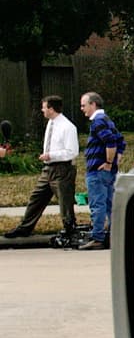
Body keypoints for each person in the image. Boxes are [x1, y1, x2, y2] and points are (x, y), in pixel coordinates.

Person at [2, 96, 79, 240]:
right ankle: (24, 228)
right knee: (36, 197)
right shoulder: (50, 123)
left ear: (51, 108)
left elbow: (72, 152)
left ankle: (69, 228)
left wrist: (51, 155)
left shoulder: (67, 127)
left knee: (64, 201)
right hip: (48, 169)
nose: (42, 110)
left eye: (44, 107)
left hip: (62, 169)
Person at [77, 92, 124, 251]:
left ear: (93, 104)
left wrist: (109, 163)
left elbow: (110, 141)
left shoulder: (98, 122)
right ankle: (113, 236)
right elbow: (120, 140)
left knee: (97, 204)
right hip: (106, 173)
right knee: (110, 204)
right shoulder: (107, 120)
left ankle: (97, 237)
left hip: (98, 171)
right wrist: (117, 158)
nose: (82, 108)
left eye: (84, 105)